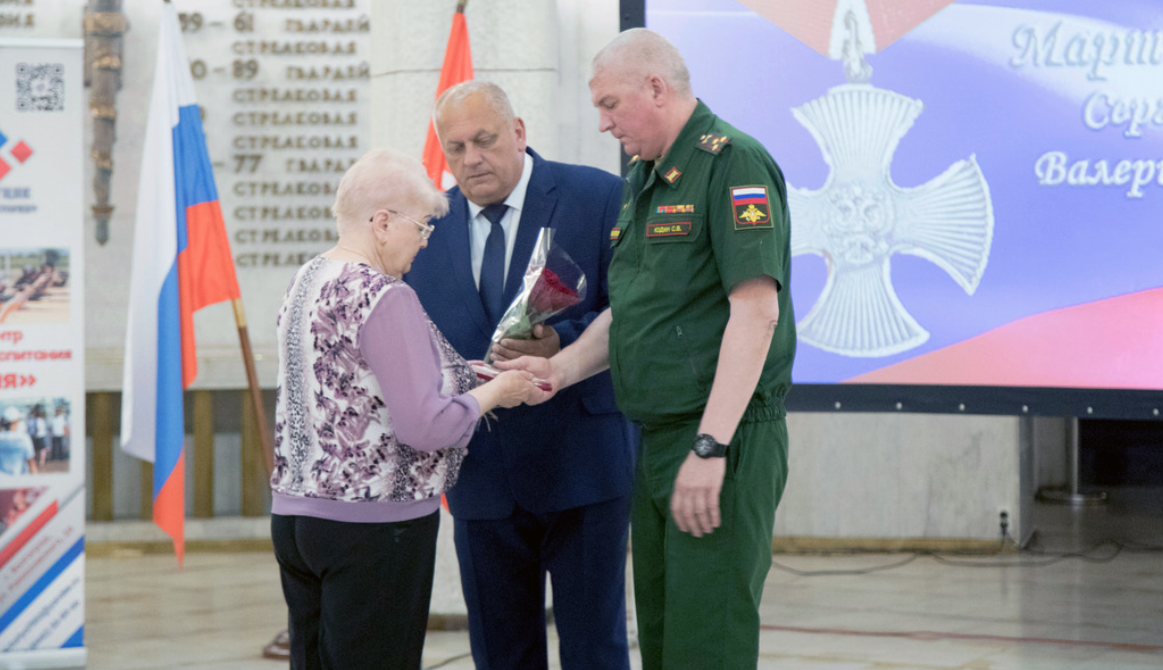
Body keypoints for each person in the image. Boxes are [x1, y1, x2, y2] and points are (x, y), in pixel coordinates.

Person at [502, 29, 797, 669]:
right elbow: (631, 310)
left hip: (720, 437)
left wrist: (710, 446)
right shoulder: (645, 177)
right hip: (659, 439)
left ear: (656, 88)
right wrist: (556, 370)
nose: (603, 124)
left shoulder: (732, 164)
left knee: (705, 644)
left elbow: (756, 313)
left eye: (610, 105)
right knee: (664, 643)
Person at [269, 147, 545, 670]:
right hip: (372, 526)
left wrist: (483, 373)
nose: (424, 241)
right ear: (381, 222)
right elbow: (426, 426)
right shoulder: (384, 294)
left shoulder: (308, 278)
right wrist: (498, 393)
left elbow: (360, 376)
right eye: (421, 227)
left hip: (297, 518)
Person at [405, 81, 637, 670]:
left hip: (583, 463)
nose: (470, 159)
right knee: (500, 652)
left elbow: (634, 308)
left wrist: (561, 337)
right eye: (454, 148)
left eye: (484, 140)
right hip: (481, 477)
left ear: (519, 132)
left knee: (594, 647)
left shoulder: (598, 196)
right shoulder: (427, 229)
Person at [0, 407, 38, 476]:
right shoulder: (23, 438)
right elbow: (31, 463)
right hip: (20, 482)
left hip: (2, 483)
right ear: (15, 422)